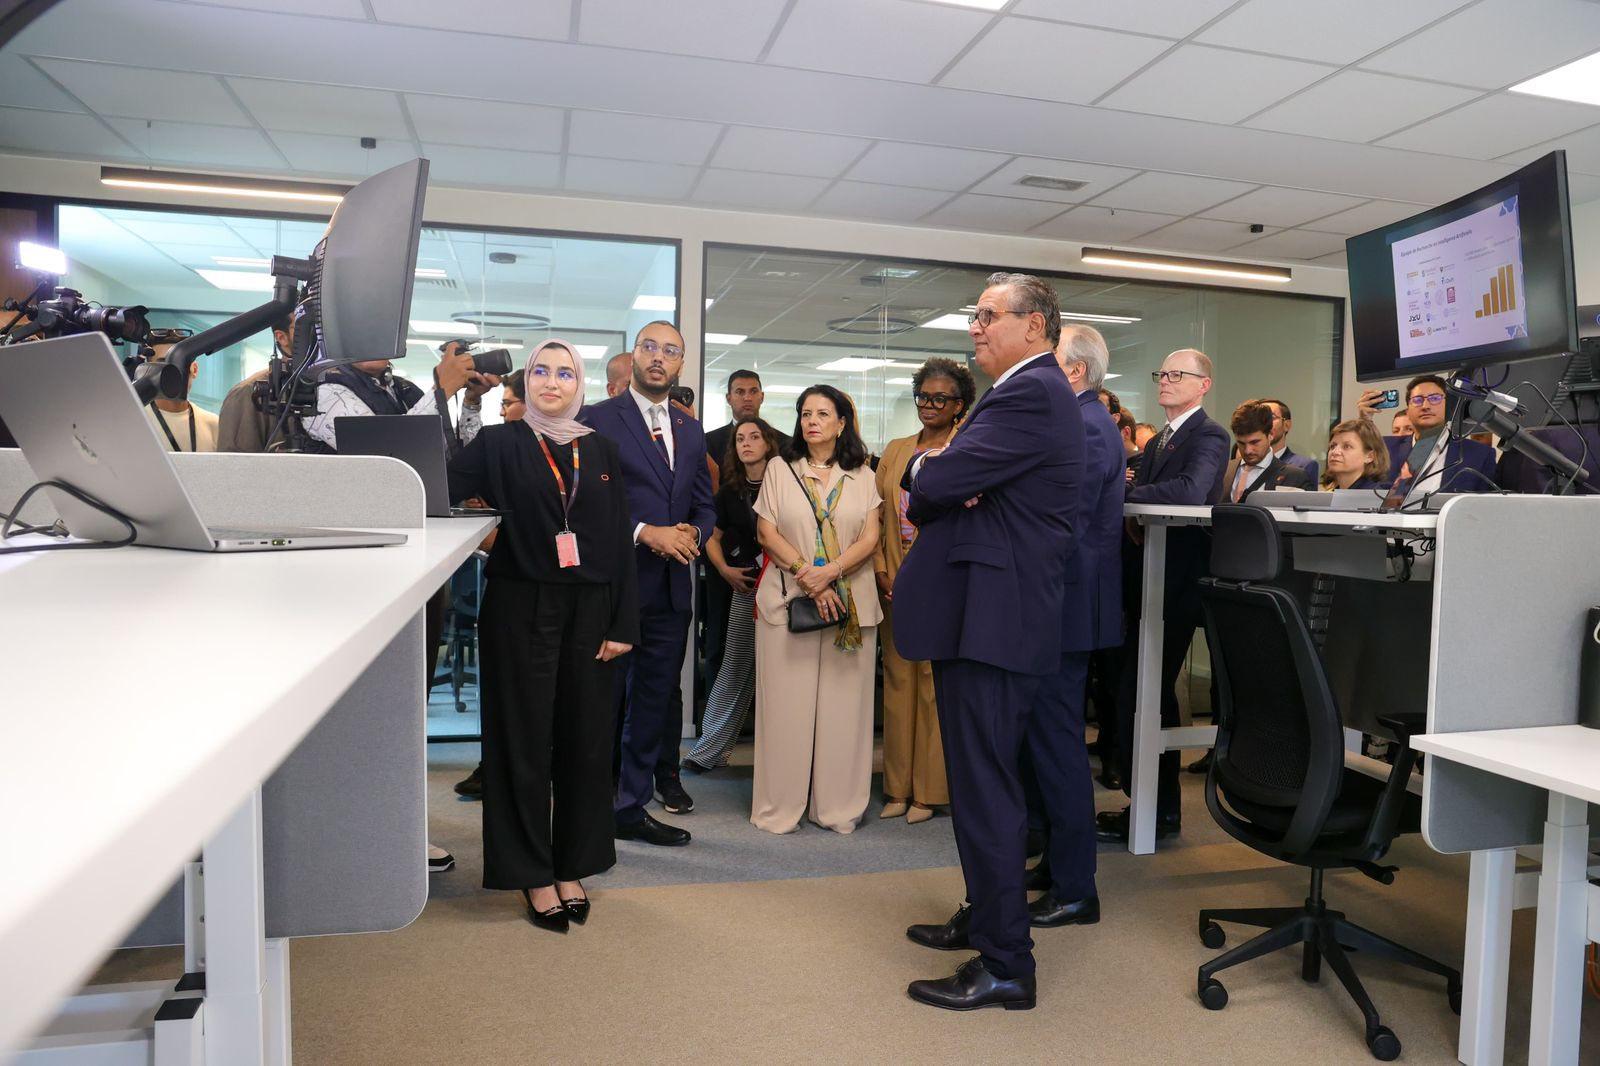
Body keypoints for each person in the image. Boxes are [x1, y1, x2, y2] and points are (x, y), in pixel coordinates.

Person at [897, 272, 1085, 1012]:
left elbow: (937, 483)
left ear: (1035, 326)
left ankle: (1007, 962)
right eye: (973, 315)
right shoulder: (1015, 393)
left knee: (986, 792)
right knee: (984, 785)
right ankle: (987, 913)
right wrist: (943, 476)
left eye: (988, 315)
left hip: (996, 622)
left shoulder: (1033, 392)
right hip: (983, 615)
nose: (974, 327)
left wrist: (931, 470)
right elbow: (949, 483)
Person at [447, 340, 637, 934]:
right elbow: (439, 485)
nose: (551, 381)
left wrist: (622, 622)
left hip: (592, 609)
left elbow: (616, 541)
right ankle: (531, 871)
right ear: (525, 380)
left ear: (580, 383)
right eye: (539, 371)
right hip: (519, 607)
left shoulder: (600, 447)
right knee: (522, 744)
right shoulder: (500, 444)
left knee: (585, 743)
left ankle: (573, 865)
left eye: (564, 372)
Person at [584, 321, 715, 845]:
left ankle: (630, 806)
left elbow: (704, 503)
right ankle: (590, 804)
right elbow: (584, 506)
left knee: (652, 705)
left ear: (681, 363)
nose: (659, 357)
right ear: (634, 356)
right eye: (650, 347)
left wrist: (692, 532)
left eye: (671, 351)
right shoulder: (597, 419)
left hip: (670, 591)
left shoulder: (690, 429)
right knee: (603, 701)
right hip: (614, 588)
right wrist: (645, 532)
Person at [1097, 349, 1229, 845]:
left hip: (1178, 582)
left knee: (1145, 693)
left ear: (1203, 385)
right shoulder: (1162, 441)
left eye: (1179, 374)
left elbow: (1192, 490)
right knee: (1140, 696)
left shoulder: (1209, 434)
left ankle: (1158, 811)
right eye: (1163, 372)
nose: (1167, 381)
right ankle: (1152, 806)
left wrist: (1126, 498)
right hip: (1146, 577)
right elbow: (1155, 488)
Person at [1019, 324, 1124, 923]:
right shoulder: (1080, 421)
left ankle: (1077, 887)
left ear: (1076, 372)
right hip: (1059, 603)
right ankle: (1057, 865)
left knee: (1058, 747)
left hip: (1067, 606)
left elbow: (1062, 522)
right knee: (1041, 740)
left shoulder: (1086, 427)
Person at [751, 385, 883, 834]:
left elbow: (870, 538)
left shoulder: (863, 473)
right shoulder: (779, 468)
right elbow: (767, 532)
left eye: (823, 414)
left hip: (851, 604)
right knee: (786, 710)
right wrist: (810, 574)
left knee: (845, 713)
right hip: (789, 599)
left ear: (842, 423)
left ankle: (837, 808)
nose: (812, 421)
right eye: (806, 413)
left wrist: (832, 573)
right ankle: (779, 809)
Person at [872, 358, 973, 824]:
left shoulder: (967, 449)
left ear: (959, 406)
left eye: (941, 399)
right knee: (897, 683)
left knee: (936, 687)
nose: (929, 406)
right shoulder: (895, 451)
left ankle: (929, 792)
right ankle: (896, 786)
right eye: (923, 397)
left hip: (944, 585)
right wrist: (880, 570)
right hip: (895, 583)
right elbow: (875, 516)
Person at [683, 416, 781, 773]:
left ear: (769, 443)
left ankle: (783, 759)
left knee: (783, 673)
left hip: (790, 589)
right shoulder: (729, 491)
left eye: (755, 436)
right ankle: (709, 751)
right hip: (749, 591)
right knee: (734, 667)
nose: (747, 443)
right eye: (741, 438)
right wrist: (723, 570)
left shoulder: (788, 485)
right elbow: (712, 535)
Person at [454, 366, 528, 802]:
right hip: (504, 582)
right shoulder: (497, 448)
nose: (504, 411)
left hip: (541, 582)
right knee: (504, 691)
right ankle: (495, 767)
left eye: (507, 403)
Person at [302, 340, 495, 452]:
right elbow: (388, 455)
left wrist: (471, 402)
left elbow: (440, 455)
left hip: (410, 510)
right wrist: (441, 389)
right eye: (366, 330)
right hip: (356, 516)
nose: (377, 338)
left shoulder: (404, 390)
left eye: (384, 330)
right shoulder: (325, 393)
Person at [1358, 375, 1497, 498]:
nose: (1425, 406)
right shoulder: (1386, 447)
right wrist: (1365, 420)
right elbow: (1360, 486)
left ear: (1449, 405)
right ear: (1408, 409)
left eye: (1435, 398)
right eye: (1417, 400)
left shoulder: (1480, 454)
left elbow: (1485, 506)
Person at [217, 310, 291, 452]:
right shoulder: (247, 394)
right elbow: (235, 469)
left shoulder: (340, 387)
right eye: (309, 326)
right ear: (281, 337)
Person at [1222, 401, 1315, 501]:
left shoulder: (1294, 477)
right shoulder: (1223, 470)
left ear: (1270, 434)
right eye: (1241, 443)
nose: (1248, 450)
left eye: (1254, 442)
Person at [144, 339, 220, 453]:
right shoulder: (136, 422)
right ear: (149, 370)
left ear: (194, 369)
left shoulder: (213, 424)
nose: (172, 373)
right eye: (163, 363)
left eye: (180, 363)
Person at [1255, 397, 1319, 484]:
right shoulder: (1247, 464)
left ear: (1286, 425)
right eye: (1259, 419)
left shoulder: (1304, 466)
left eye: (1271, 418)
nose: (1264, 424)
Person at [1322, 418, 1390, 490]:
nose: (1335, 452)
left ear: (1370, 456)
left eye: (1346, 446)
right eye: (1333, 446)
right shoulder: (1332, 492)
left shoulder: (1375, 497)